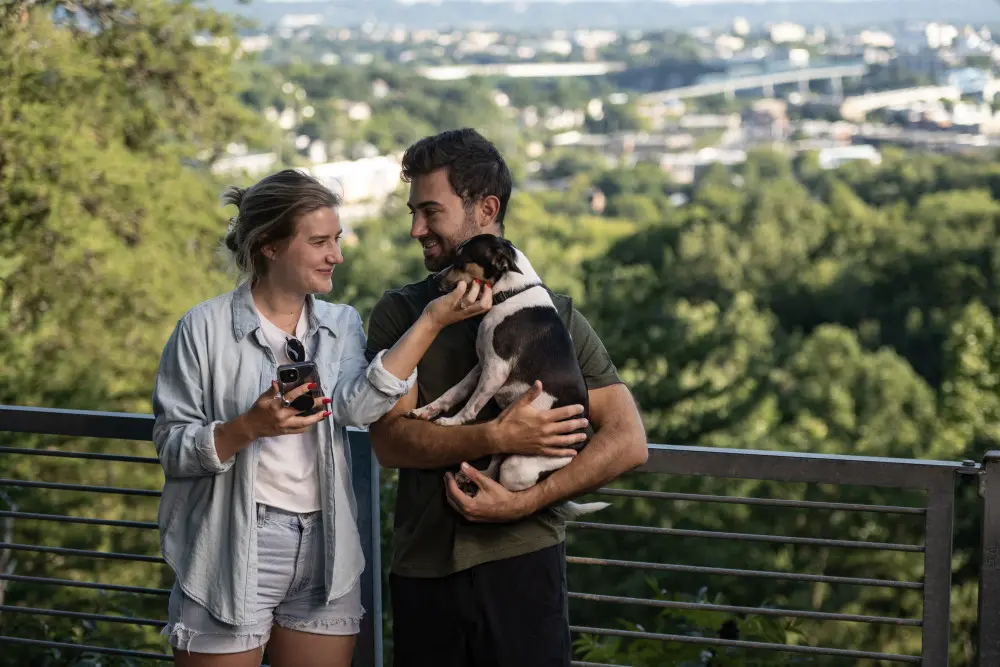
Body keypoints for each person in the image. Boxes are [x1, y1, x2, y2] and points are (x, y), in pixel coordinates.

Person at [151, 168, 491, 667]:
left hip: (327, 547)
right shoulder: (201, 328)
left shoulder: (341, 324)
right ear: (269, 245)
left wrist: (432, 320)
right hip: (231, 547)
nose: (337, 254)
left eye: (336, 239)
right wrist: (249, 427)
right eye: (319, 242)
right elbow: (172, 448)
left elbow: (358, 406)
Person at [364, 129, 649, 667]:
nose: (415, 229)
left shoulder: (552, 315)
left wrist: (525, 502)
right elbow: (391, 443)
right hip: (424, 570)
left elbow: (628, 440)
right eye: (412, 212)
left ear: (486, 208)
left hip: (524, 563)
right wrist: (496, 436)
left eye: (430, 211)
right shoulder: (402, 315)